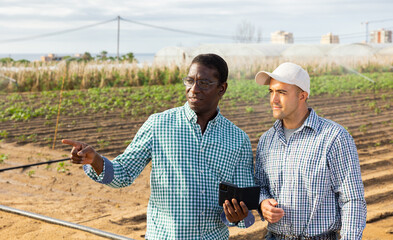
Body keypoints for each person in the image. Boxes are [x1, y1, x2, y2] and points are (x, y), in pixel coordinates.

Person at [62, 53, 255, 240]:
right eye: (189, 81)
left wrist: (237, 217)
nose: (193, 89)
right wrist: (95, 160)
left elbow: (244, 204)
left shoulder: (238, 139)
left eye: (203, 83)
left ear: (222, 89)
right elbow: (124, 173)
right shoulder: (158, 125)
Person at [254, 62, 367, 239]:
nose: (273, 99)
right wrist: (263, 203)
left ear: (302, 96)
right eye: (271, 91)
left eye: (282, 92)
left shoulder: (334, 137)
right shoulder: (267, 140)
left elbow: (352, 200)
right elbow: (261, 186)